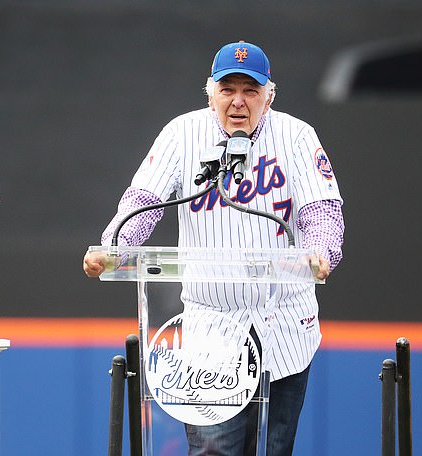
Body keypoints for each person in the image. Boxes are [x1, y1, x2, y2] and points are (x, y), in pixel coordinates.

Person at [83, 40, 344, 455]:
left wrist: (320, 250)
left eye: (250, 90)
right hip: (210, 332)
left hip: (285, 326)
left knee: (273, 450)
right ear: (210, 93)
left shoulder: (296, 136)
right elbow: (143, 203)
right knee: (213, 452)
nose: (238, 101)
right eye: (228, 89)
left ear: (268, 95)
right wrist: (114, 246)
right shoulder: (182, 133)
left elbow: (322, 211)